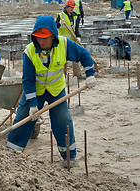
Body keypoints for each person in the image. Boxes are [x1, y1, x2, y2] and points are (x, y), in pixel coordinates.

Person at [6, 15, 97, 167]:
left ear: (53, 36)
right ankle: (12, 152)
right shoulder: (29, 52)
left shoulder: (64, 44)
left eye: (45, 38)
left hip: (56, 90)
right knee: (23, 117)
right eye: (38, 38)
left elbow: (83, 54)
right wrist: (33, 105)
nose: (41, 42)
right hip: (36, 91)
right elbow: (27, 81)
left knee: (63, 120)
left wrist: (90, 74)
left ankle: (69, 156)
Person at [56, 0, 82, 77]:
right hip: (63, 41)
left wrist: (78, 37)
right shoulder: (61, 16)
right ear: (67, 7)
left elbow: (76, 28)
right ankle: (63, 75)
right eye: (71, 7)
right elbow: (55, 26)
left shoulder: (75, 16)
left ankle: (77, 74)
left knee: (75, 56)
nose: (72, 9)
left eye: (73, 7)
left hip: (73, 40)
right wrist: (60, 23)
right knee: (63, 59)